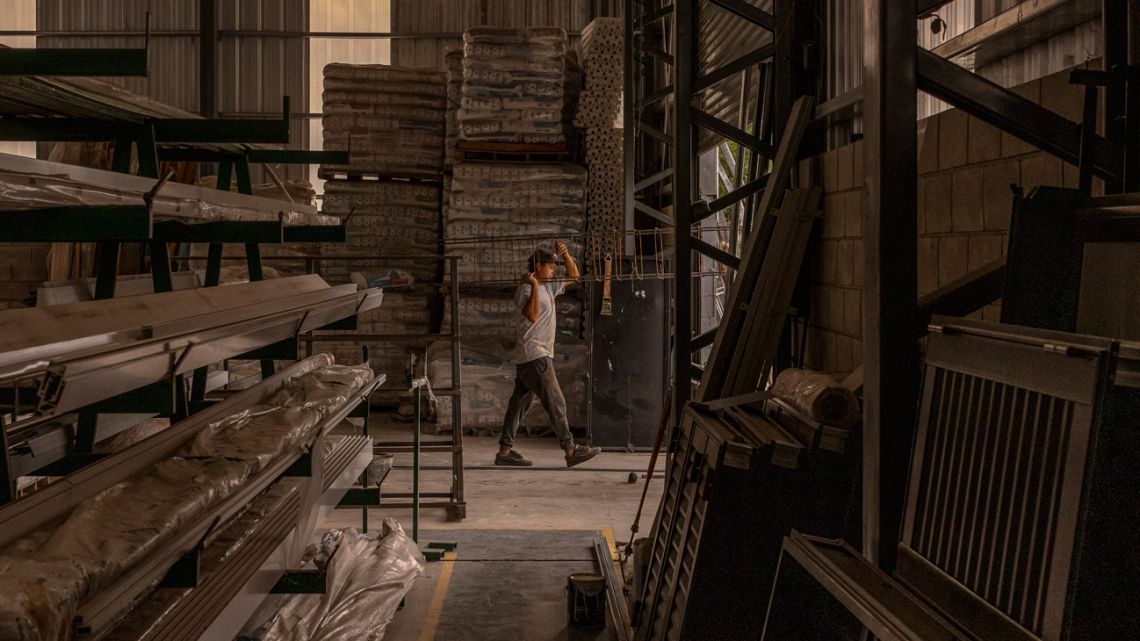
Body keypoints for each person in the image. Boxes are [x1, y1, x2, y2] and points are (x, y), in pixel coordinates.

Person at [495, 243, 601, 468]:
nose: (554, 270)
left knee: (518, 405)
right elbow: (532, 316)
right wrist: (533, 285)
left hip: (529, 357)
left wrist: (566, 255)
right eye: (550, 266)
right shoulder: (525, 289)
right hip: (535, 355)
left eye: (555, 266)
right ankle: (571, 450)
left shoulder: (549, 287)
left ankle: (504, 450)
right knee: (556, 401)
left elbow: (574, 275)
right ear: (538, 266)